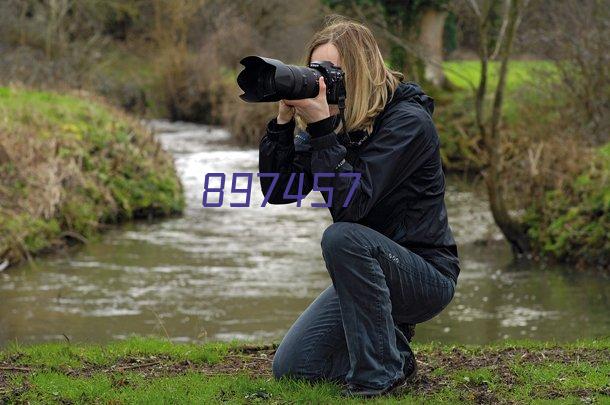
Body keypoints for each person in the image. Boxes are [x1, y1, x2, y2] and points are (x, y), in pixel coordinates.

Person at [258, 16, 460, 397]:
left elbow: (352, 207)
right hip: (366, 272)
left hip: (425, 274)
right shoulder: (338, 124)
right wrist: (283, 125)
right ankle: (394, 352)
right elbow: (280, 190)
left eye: (331, 71)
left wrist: (320, 131)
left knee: (342, 237)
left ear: (362, 71)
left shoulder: (407, 122)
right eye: (315, 70)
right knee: (294, 368)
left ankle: (379, 378)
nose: (322, 80)